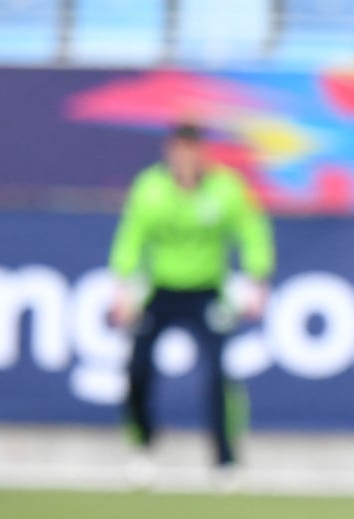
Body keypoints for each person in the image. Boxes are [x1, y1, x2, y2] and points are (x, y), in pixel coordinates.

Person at [108, 123, 273, 487]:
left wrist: (257, 278)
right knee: (137, 369)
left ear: (203, 152)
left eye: (192, 150)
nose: (186, 158)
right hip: (159, 289)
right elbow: (131, 237)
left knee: (217, 372)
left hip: (206, 290)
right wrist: (122, 287)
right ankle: (142, 448)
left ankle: (225, 461)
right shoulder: (150, 188)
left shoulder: (225, 188)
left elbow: (251, 231)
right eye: (179, 150)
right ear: (170, 151)